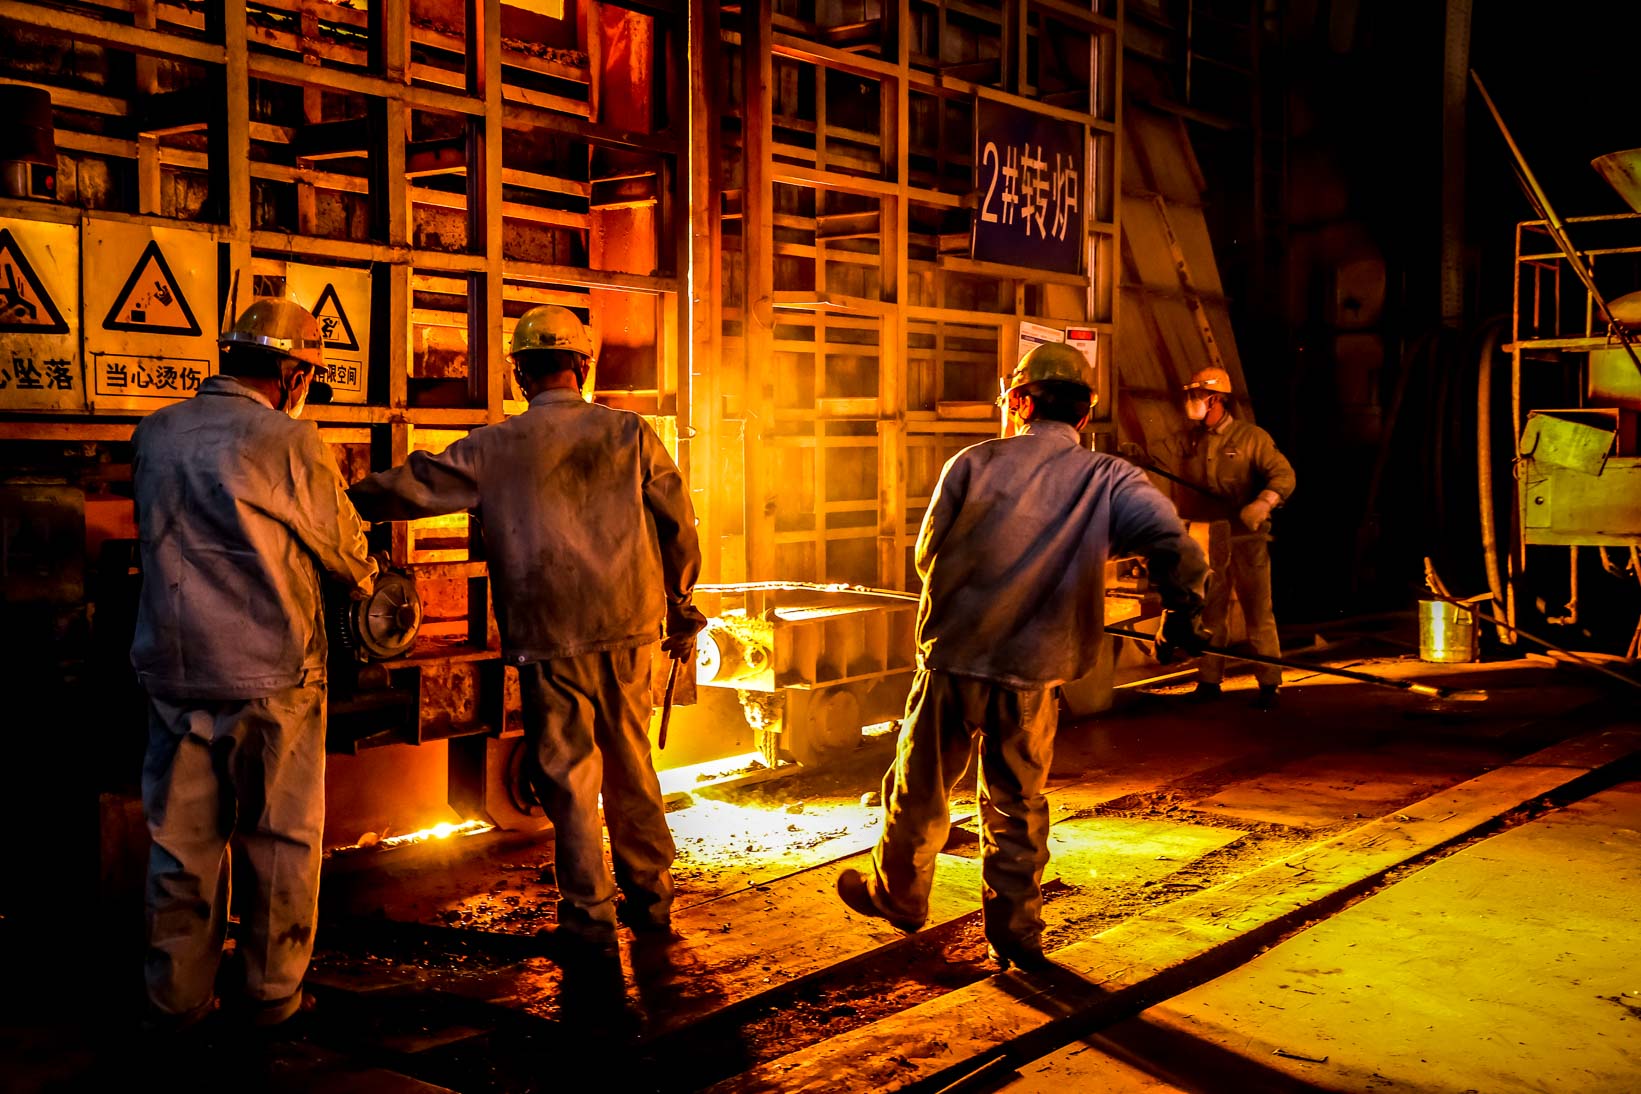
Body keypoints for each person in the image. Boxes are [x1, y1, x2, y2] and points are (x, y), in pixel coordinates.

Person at [835, 343, 1209, 971]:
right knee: (1017, 803)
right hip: (1032, 671)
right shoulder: (1109, 479)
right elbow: (1174, 545)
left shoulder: (972, 463)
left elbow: (927, 555)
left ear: (1019, 402)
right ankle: (1015, 934)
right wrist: (1183, 611)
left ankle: (899, 895)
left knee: (919, 786)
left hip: (954, 657)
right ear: (1084, 415)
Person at [348, 305, 706, 961]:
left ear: (519, 373)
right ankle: (651, 902)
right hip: (626, 627)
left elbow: (411, 488)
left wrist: (337, 500)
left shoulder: (493, 447)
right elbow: (677, 525)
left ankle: (589, 920)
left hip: (546, 633)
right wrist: (680, 602)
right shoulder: (629, 434)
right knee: (631, 766)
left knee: (568, 781)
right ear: (583, 366)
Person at [133, 298, 378, 1031]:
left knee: (180, 844)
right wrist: (369, 576)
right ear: (294, 373)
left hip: (174, 667)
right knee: (278, 838)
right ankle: (272, 995)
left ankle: (177, 999)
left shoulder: (156, 431)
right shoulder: (288, 439)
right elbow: (345, 552)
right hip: (273, 671)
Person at [1149, 366, 1296, 710]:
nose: (1190, 401)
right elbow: (1154, 455)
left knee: (1258, 612)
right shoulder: (1189, 439)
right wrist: (1132, 454)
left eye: (1195, 395)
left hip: (1246, 539)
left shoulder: (1251, 438)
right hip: (1207, 538)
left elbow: (1284, 474)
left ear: (1214, 399)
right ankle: (1209, 681)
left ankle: (1270, 684)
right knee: (1210, 613)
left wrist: (1263, 502)